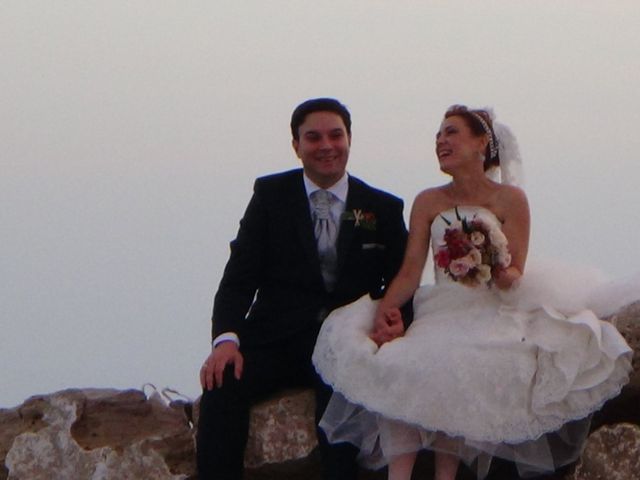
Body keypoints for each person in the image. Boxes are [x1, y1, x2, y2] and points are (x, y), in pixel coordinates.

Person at [312, 105, 636, 480]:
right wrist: (387, 311)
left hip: (489, 310)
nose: (440, 142)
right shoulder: (428, 201)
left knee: (462, 367)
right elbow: (410, 272)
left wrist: (495, 263)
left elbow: (515, 272)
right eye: (438, 136)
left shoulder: (510, 200)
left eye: (450, 133)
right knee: (400, 365)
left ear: (481, 142)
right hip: (441, 310)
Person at [196, 97, 410, 480]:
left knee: (341, 427)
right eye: (313, 137)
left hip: (344, 344)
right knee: (222, 384)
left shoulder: (383, 207)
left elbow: (401, 281)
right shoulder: (270, 196)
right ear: (297, 146)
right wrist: (226, 340)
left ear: (349, 140)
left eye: (335, 135)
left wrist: (395, 325)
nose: (326, 145)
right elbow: (239, 277)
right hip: (276, 338)